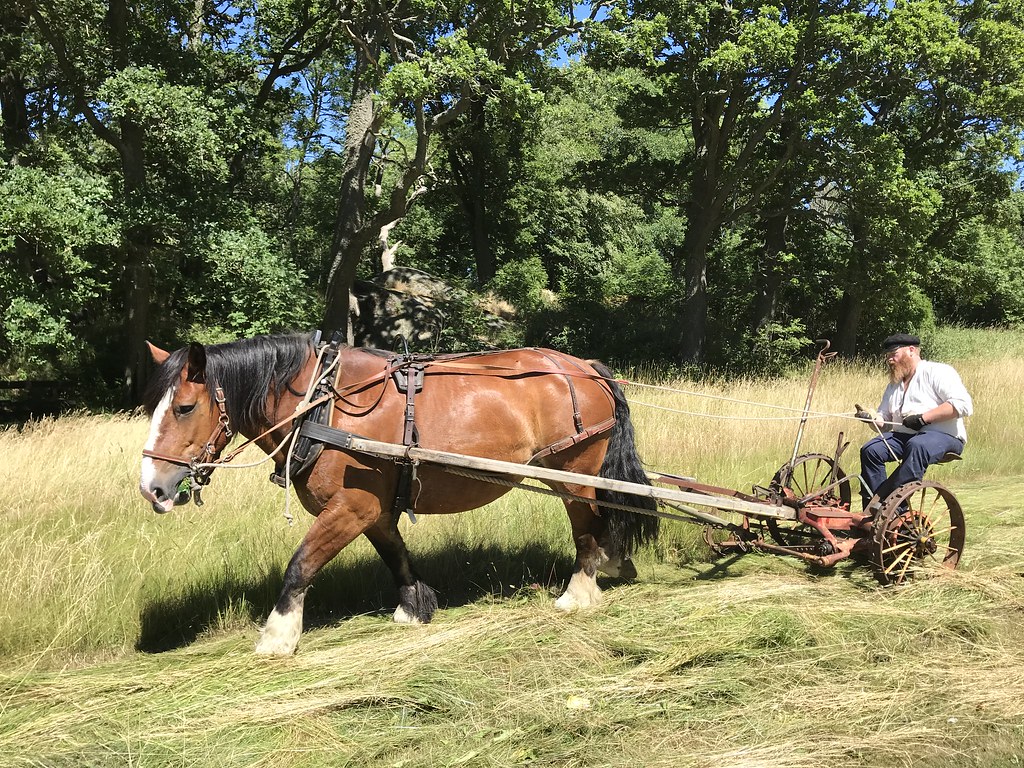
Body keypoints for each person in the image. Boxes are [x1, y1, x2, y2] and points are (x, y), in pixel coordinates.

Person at [854, 333, 973, 511]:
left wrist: (923, 418)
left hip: (944, 436)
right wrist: (872, 419)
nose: (889, 360)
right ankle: (872, 512)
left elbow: (963, 405)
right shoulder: (894, 384)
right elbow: (885, 423)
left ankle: (892, 508)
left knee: (918, 445)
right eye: (887, 356)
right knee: (871, 450)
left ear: (911, 351)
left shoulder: (938, 371)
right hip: (905, 437)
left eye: (894, 354)